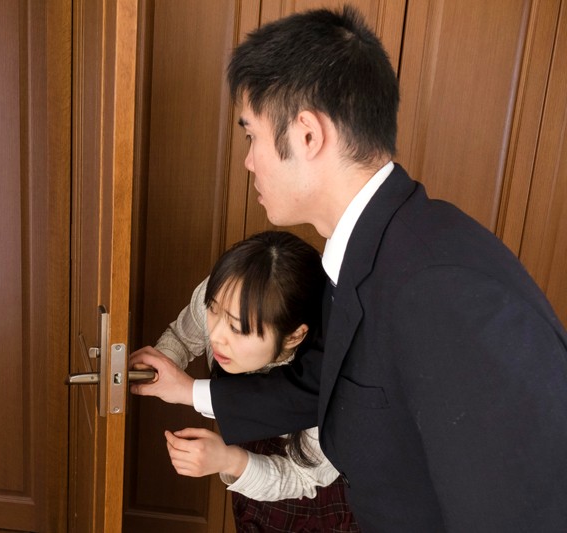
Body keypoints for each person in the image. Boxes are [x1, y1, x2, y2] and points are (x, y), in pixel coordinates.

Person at [130, 5, 567, 532]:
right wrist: (186, 390)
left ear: (307, 135)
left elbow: (520, 508)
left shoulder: (441, 287)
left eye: (251, 136)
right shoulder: (362, 261)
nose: (247, 161)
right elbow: (316, 385)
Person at [134, 230, 358, 531]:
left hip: (318, 508)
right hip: (253, 492)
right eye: (213, 310)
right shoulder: (225, 294)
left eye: (237, 329)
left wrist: (230, 461)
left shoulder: (332, 383)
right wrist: (159, 364)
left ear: (294, 336)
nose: (216, 335)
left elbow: (304, 479)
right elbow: (183, 337)